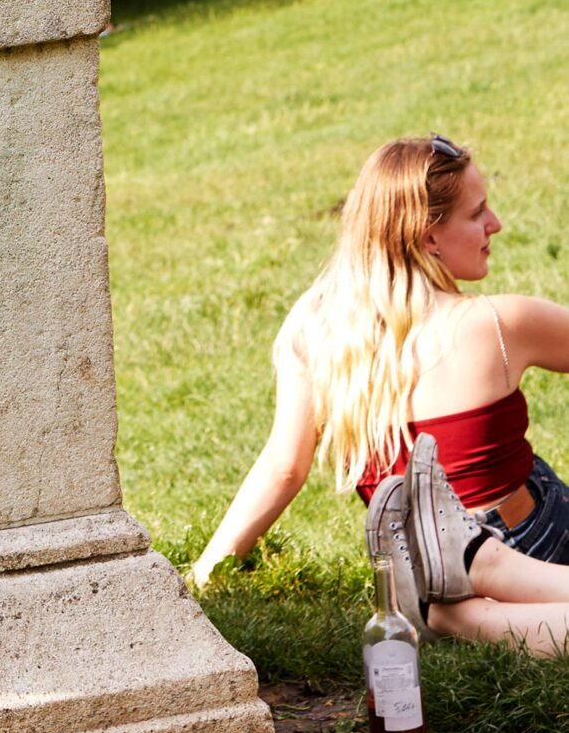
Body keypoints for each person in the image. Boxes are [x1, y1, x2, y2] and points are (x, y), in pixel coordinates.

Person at [192, 134, 569, 652]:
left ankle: (456, 611)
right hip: (533, 540)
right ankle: (467, 593)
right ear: (428, 237)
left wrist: (209, 570)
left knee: (464, 603)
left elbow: (285, 467)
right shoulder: (499, 324)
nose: (495, 224)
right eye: (477, 212)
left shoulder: (316, 327)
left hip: (407, 556)